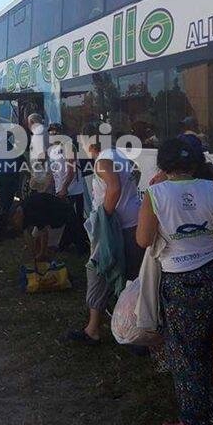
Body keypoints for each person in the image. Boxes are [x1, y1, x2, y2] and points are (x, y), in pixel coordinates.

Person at [137, 138, 213, 425]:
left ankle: (192, 422)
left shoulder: (155, 194)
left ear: (164, 163)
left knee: (186, 354)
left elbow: (144, 240)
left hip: (181, 283)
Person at [67, 122, 142, 345]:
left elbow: (114, 187)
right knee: (132, 275)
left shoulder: (103, 160)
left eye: (82, 140)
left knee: (98, 270)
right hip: (133, 223)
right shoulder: (119, 154)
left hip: (116, 227)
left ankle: (93, 330)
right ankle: (136, 329)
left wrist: (104, 218)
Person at [47, 122, 89, 252]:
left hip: (73, 189)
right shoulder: (51, 149)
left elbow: (72, 170)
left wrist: (65, 187)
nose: (52, 134)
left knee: (75, 218)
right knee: (67, 217)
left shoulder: (68, 146)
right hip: (61, 188)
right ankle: (68, 243)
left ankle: (81, 246)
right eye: (50, 132)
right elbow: (53, 171)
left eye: (55, 132)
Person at [0, 128, 24, 240]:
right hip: (7, 174)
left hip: (1, 173)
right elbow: (18, 156)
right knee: (6, 200)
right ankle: (1, 229)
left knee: (2, 199)